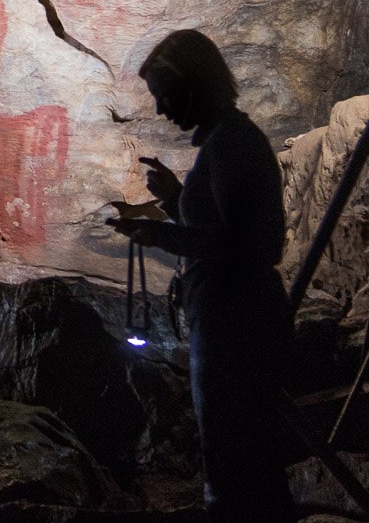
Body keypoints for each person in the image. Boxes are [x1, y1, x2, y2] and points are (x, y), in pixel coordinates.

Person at [107, 29, 297, 523]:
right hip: (231, 317)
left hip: (236, 323)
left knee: (235, 462)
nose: (163, 111)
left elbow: (252, 245)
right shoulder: (227, 140)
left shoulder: (232, 144)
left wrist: (160, 234)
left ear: (195, 85)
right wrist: (174, 199)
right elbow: (222, 228)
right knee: (244, 458)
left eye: (166, 97)